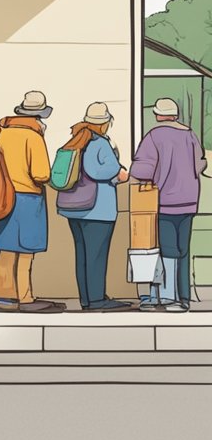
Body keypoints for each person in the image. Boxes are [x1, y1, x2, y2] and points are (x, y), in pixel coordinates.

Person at [131, 97, 207, 312]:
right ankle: (184, 296)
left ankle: (168, 297)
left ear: (157, 115)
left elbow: (142, 170)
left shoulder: (154, 136)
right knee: (183, 249)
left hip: (163, 201)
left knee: (167, 249)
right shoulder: (189, 135)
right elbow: (201, 163)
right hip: (189, 201)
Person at [0, 91, 64, 313]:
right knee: (25, 250)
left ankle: (3, 297)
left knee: (5, 249)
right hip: (27, 196)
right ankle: (25, 297)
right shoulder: (33, 136)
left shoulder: (1, 130)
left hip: (1, 194)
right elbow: (41, 174)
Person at [57, 102, 133, 312]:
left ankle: (86, 299)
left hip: (74, 207)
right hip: (98, 209)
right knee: (97, 255)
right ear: (106, 123)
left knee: (82, 256)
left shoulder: (76, 139)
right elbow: (99, 171)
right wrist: (120, 174)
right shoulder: (100, 143)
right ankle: (98, 299)